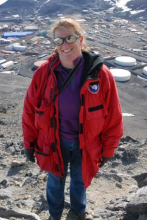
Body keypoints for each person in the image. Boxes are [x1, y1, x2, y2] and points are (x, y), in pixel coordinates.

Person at [22, 18, 123, 220]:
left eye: (70, 38)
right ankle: (55, 215)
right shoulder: (44, 73)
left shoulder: (100, 75)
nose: (65, 45)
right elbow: (30, 111)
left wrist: (108, 149)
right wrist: (29, 144)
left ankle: (78, 212)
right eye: (59, 41)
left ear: (80, 39)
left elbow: (113, 116)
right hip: (53, 140)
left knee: (79, 179)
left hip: (86, 143)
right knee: (54, 180)